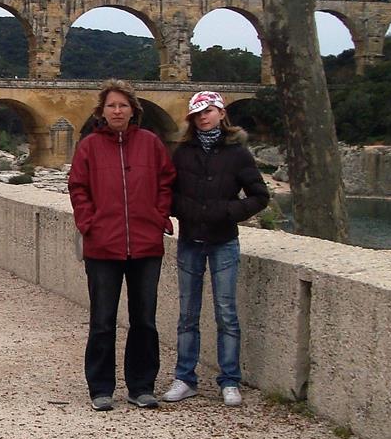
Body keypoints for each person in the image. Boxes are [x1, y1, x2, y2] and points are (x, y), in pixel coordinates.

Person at [68, 80, 176, 412]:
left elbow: (166, 181)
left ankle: (141, 386)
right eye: (111, 105)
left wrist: (158, 216)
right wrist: (90, 224)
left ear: (133, 111)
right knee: (103, 320)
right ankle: (100, 387)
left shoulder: (151, 143)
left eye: (123, 105)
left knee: (145, 319)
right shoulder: (89, 146)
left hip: (146, 243)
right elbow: (77, 187)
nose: (117, 111)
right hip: (103, 245)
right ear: (102, 111)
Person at [164, 91, 269, 408]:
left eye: (208, 111)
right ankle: (185, 378)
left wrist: (228, 211)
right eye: (197, 113)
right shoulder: (182, 153)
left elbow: (259, 195)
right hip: (190, 240)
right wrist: (183, 209)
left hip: (224, 240)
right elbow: (167, 192)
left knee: (226, 313)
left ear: (221, 113)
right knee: (187, 314)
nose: (203, 117)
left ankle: (230, 380)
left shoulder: (238, 154)